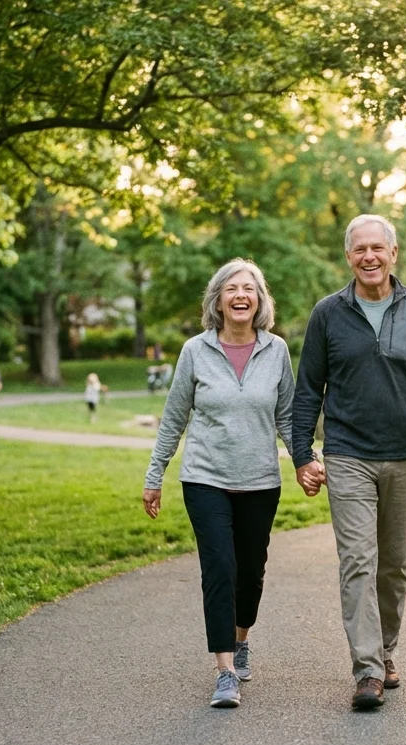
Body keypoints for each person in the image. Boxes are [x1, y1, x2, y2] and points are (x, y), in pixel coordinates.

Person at [292, 214, 406, 711]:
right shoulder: (327, 313)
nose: (368, 257)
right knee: (358, 562)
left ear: (393, 253)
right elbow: (307, 391)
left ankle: (385, 652)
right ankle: (366, 670)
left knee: (395, 566)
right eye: (359, 249)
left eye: (376, 248)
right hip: (346, 455)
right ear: (348, 257)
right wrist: (303, 453)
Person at [142, 258, 295, 710]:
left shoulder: (277, 351)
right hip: (205, 478)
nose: (241, 295)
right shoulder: (195, 351)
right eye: (231, 288)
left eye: (249, 288)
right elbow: (173, 420)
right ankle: (225, 669)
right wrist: (155, 477)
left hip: (260, 481)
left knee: (250, 573)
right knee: (220, 571)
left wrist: (306, 460)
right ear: (218, 300)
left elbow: (287, 416)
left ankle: (241, 638)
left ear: (260, 300)